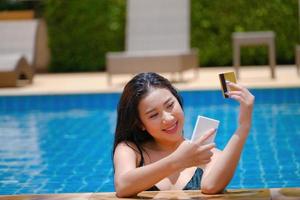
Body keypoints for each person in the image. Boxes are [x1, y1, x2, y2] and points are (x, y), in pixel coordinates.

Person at [113, 72, 254, 197]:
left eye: (170, 105)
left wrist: (243, 127)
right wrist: (177, 160)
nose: (168, 118)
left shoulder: (205, 153)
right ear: (140, 124)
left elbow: (211, 187)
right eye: (153, 115)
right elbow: (123, 187)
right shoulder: (130, 150)